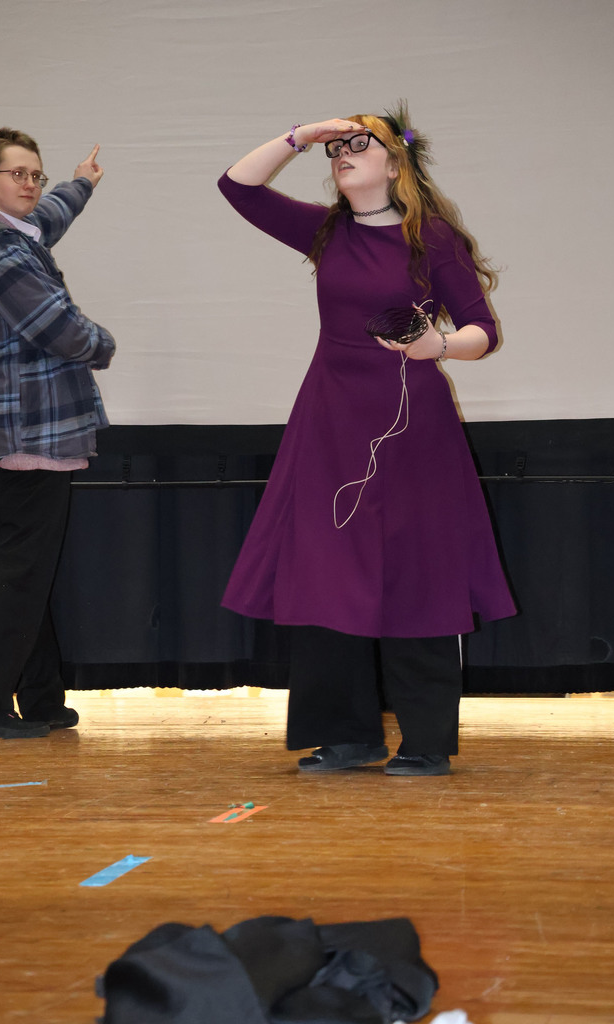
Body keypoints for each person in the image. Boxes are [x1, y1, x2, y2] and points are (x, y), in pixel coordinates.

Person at [218, 102, 517, 776]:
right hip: (330, 424)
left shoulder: (430, 238)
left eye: (360, 144)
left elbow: (482, 330)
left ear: (395, 161)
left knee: (419, 571)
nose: (343, 154)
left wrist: (440, 345)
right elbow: (236, 186)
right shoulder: (327, 232)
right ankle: (348, 736)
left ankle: (425, 740)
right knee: (326, 573)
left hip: (413, 427)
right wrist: (302, 135)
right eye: (337, 149)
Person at [0, 128, 116, 739]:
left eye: (35, 175)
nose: (30, 185)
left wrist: (80, 184)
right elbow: (61, 330)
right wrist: (105, 345)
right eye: (16, 174)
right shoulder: (1, 253)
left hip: (4, 430)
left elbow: (45, 218)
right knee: (22, 575)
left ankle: (41, 698)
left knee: (27, 570)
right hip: (31, 433)